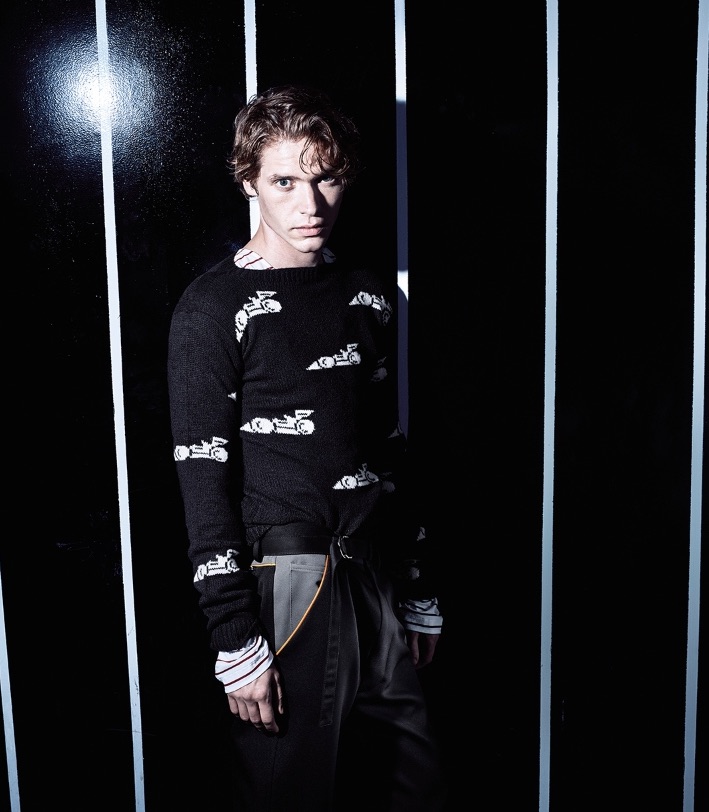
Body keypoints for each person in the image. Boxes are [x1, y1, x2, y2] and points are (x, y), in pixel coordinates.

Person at [167, 84, 446, 811]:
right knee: (289, 793)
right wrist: (234, 637)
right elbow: (201, 475)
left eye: (326, 178)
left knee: (408, 787)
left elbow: (387, 449)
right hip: (289, 580)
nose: (310, 203)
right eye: (285, 181)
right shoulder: (212, 307)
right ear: (249, 182)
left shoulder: (367, 295)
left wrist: (417, 588)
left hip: (375, 570)